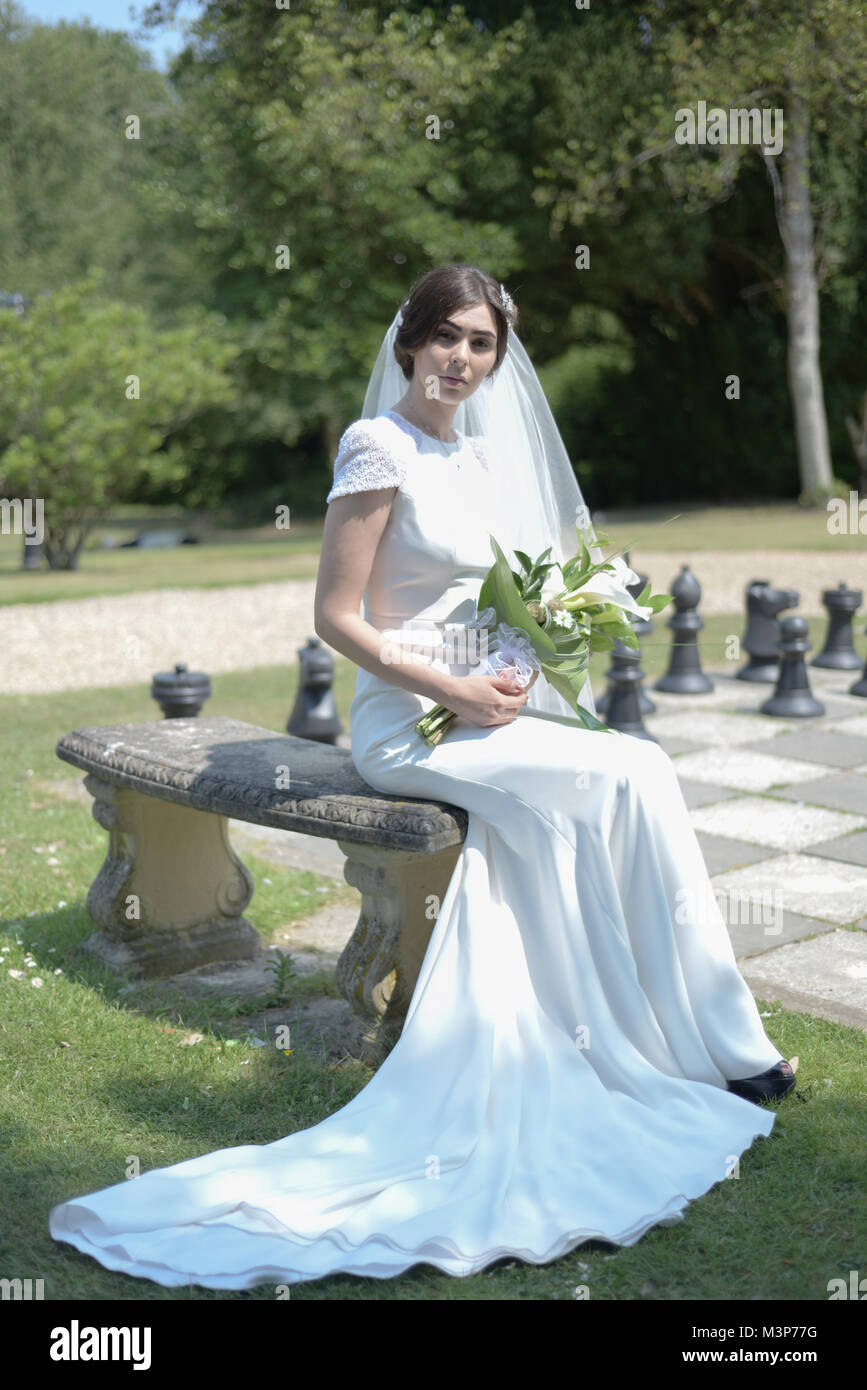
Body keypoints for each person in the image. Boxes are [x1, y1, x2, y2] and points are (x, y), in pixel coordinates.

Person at [48, 263, 795, 1292]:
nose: (462, 357)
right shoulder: (378, 447)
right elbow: (338, 617)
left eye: (481, 343)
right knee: (622, 779)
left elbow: (504, 605)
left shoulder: (480, 456)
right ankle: (716, 1046)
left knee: (632, 770)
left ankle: (675, 1034)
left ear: (496, 357)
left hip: (483, 700)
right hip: (405, 722)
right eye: (445, 335)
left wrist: (524, 661)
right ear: (409, 343)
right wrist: (449, 681)